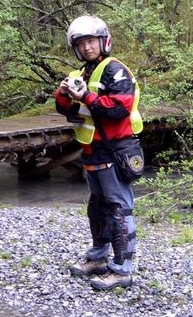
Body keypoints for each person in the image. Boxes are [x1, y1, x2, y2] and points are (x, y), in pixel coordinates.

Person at [55, 15, 143, 290]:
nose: (87, 48)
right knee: (97, 207)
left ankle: (122, 270)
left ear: (103, 41)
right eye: (81, 44)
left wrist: (86, 98)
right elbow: (69, 112)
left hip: (116, 150)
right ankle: (99, 257)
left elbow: (118, 109)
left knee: (118, 208)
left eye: (91, 41)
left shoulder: (116, 70)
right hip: (93, 151)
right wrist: (63, 95)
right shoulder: (81, 74)